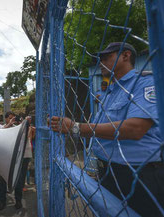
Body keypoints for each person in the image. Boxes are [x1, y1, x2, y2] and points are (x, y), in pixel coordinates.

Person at [50, 42, 164, 216]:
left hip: (138, 174)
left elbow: (136, 128)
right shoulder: (110, 92)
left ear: (125, 56)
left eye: (105, 57)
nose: (100, 62)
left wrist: (75, 127)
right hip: (107, 171)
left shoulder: (145, 83)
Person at [14, 116, 35, 209]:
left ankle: (19, 197)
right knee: (20, 177)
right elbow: (26, 137)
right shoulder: (19, 129)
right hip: (21, 156)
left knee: (22, 178)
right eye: (27, 120)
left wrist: (31, 130)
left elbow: (30, 138)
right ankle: (18, 200)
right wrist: (28, 127)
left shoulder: (28, 128)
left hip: (27, 155)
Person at [0, 111, 16, 211]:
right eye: (10, 118)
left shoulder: (17, 128)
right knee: (2, 183)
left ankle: (18, 201)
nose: (12, 120)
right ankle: (2, 201)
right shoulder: (2, 127)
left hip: (13, 158)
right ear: (6, 119)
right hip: (3, 159)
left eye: (13, 118)